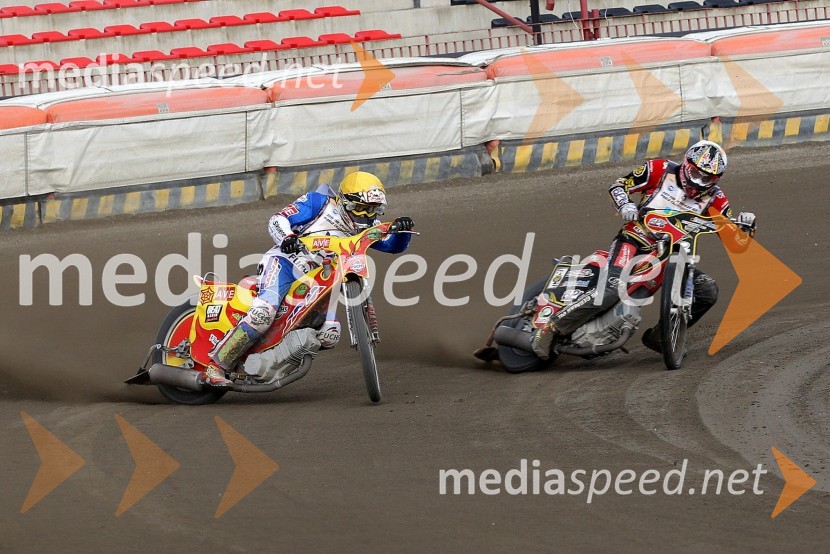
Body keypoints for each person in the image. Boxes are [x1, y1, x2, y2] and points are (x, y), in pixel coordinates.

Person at [532, 140, 756, 359]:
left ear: (716, 178)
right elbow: (619, 185)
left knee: (708, 291)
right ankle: (551, 329)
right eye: (695, 172)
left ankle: (662, 336)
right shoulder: (659, 169)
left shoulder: (716, 198)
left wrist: (747, 226)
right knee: (612, 289)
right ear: (687, 163)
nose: (698, 180)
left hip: (669, 257)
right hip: (634, 240)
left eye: (707, 177)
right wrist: (626, 205)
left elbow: (735, 244)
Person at [199, 171, 415, 387]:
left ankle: (272, 362)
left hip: (318, 283)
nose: (365, 215)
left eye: (372, 210)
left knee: (330, 333)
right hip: (285, 264)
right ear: (344, 201)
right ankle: (215, 367)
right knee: (262, 314)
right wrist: (287, 238)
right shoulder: (318, 203)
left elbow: (392, 246)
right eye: (360, 208)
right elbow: (278, 219)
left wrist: (403, 231)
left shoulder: (369, 226)